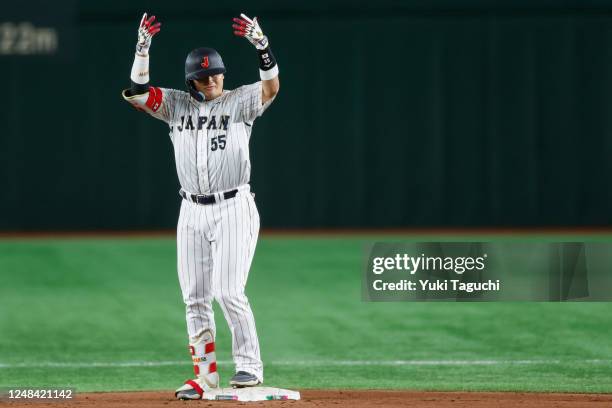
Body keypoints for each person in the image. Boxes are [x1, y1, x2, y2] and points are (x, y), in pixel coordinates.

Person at [121, 12, 280, 400]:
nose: (212, 80)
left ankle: (249, 366)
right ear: (190, 81)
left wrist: (263, 47)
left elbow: (270, 88)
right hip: (191, 209)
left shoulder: (240, 100)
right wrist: (142, 49)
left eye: (217, 74)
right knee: (194, 296)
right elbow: (139, 92)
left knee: (228, 290)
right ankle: (205, 376)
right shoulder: (175, 105)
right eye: (204, 76)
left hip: (233, 205)